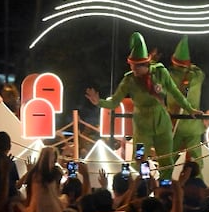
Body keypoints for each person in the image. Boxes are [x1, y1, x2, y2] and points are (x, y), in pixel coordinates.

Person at [85, 32, 202, 179]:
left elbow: (175, 92)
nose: (133, 69)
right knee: (139, 159)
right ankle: (143, 186)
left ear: (145, 64)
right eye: (131, 66)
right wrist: (99, 102)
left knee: (167, 160)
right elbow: (114, 101)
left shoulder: (160, 73)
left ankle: (164, 189)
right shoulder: (129, 80)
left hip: (162, 123)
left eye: (136, 66)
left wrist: (189, 109)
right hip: (142, 126)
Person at [167, 35, 206, 168]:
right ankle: (198, 183)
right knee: (196, 160)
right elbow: (199, 71)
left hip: (175, 123)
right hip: (193, 124)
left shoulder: (169, 75)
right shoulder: (197, 75)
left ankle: (165, 184)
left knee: (169, 159)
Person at [23, 146, 64, 212]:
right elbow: (58, 192)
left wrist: (29, 171)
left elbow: (22, 188)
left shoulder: (33, 174)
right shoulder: (56, 173)